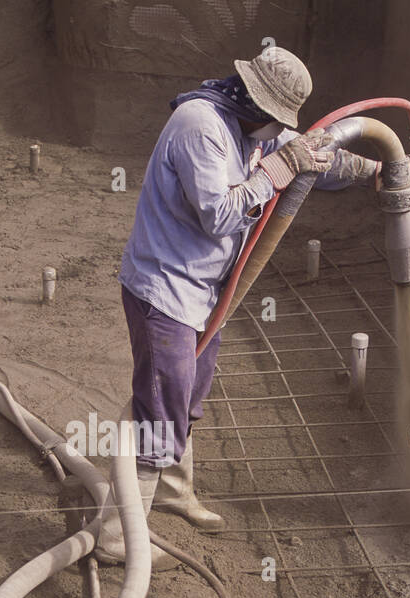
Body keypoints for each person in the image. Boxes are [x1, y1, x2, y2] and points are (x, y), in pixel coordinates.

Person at [95, 45, 383, 568]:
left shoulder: (254, 127)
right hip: (164, 289)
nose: (280, 133)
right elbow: (220, 216)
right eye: (276, 122)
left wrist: (374, 168)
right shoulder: (199, 125)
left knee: (190, 395)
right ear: (255, 101)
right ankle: (117, 538)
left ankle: (174, 492)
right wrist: (279, 169)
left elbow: (318, 157)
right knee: (160, 409)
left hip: (206, 290)